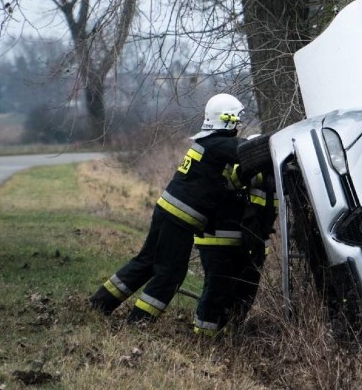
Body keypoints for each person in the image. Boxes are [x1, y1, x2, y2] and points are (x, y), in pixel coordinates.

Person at [89, 93, 246, 324]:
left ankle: (100, 304)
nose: (238, 126)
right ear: (228, 119)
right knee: (170, 273)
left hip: (166, 210)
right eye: (237, 120)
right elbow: (249, 149)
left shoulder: (207, 143)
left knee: (146, 262)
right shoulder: (220, 144)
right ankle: (139, 322)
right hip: (180, 219)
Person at [193, 171, 278, 336]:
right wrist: (261, 170)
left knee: (243, 293)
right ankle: (203, 338)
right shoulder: (238, 155)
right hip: (218, 237)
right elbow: (232, 179)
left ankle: (228, 336)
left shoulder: (277, 171)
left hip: (248, 243)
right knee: (217, 290)